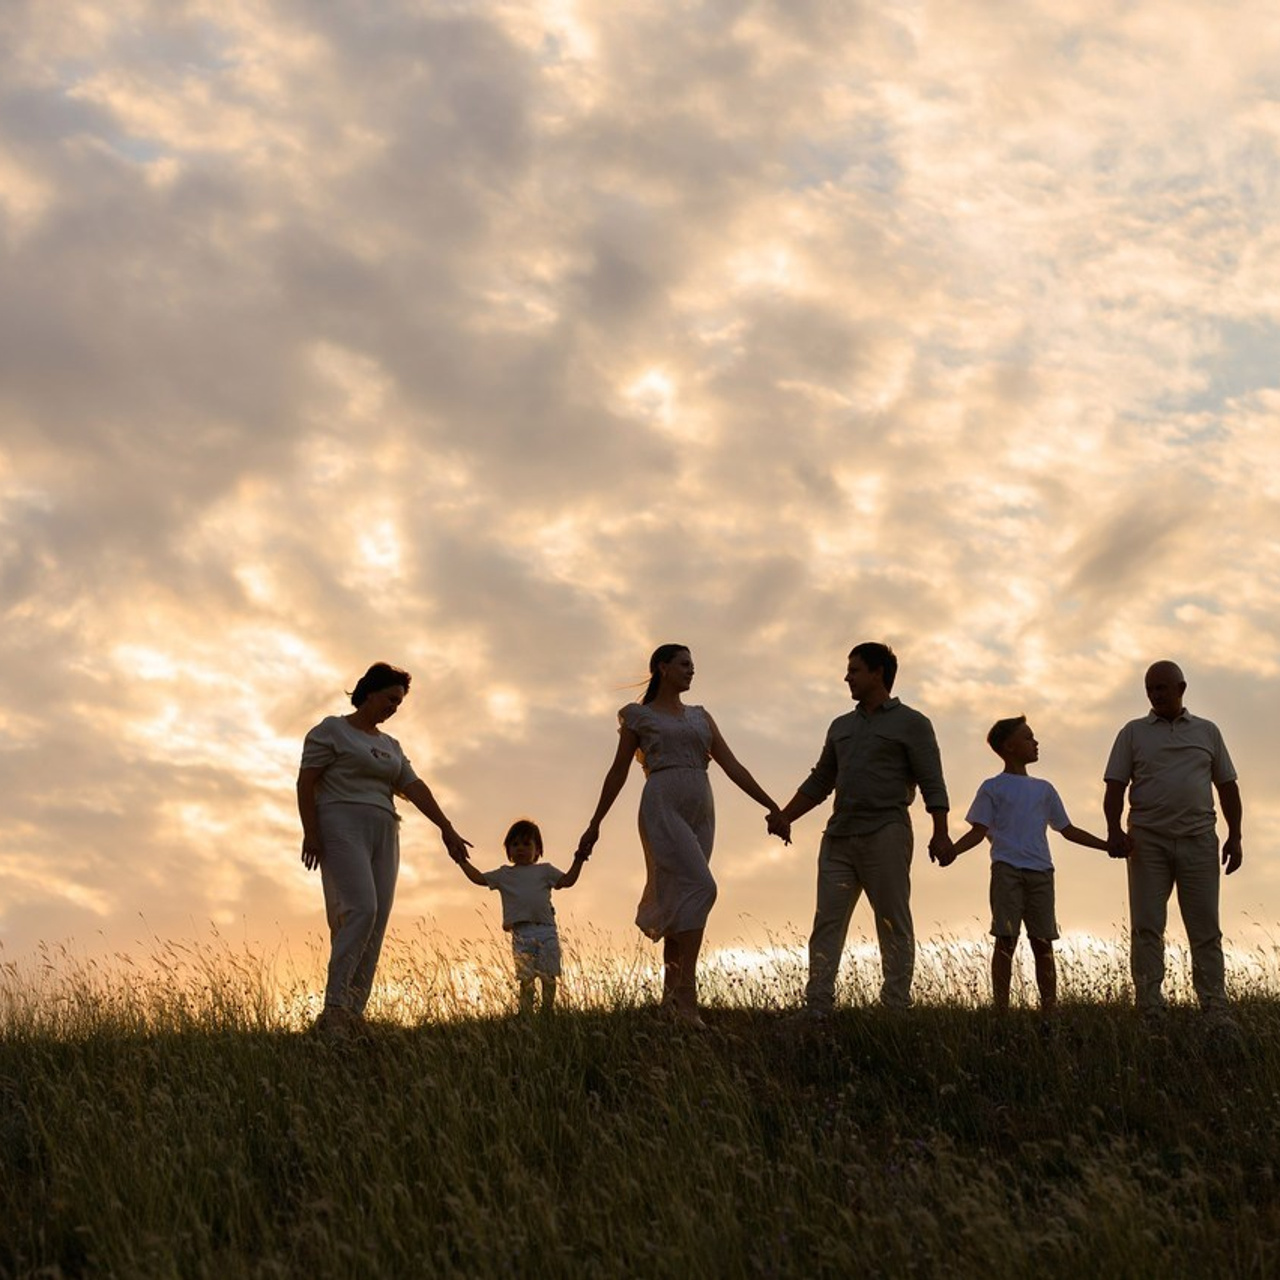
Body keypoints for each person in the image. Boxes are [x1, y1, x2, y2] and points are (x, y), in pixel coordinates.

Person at [576, 643, 783, 1027]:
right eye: (685, 664)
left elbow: (732, 764)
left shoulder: (701, 717)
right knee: (703, 887)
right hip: (662, 805)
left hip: (701, 809)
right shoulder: (640, 717)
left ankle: (669, 1001)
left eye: (693, 665)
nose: (692, 670)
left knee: (682, 900)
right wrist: (595, 823)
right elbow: (618, 771)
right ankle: (687, 1000)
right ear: (662, 668)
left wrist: (771, 805)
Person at [769, 642, 952, 1013]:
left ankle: (895, 1007)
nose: (847, 677)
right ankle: (818, 1005)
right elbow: (821, 780)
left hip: (886, 830)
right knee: (827, 923)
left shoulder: (913, 723)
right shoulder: (841, 726)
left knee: (892, 921)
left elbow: (932, 780)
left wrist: (941, 831)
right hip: (838, 837)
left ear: (877, 673)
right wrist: (786, 815)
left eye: (854, 670)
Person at [297, 662, 471, 1034]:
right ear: (370, 692)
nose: (394, 708)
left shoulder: (390, 745)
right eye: (391, 699)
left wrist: (447, 829)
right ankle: (335, 1008)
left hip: (385, 829)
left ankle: (354, 1013)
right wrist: (310, 832)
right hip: (340, 822)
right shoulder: (331, 730)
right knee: (361, 909)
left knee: (377, 918)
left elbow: (415, 786)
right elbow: (306, 780)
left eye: (400, 703)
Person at [942, 716, 1113, 1015]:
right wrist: (952, 851)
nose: (1036, 743)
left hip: (1041, 873)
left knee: (1043, 941)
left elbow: (1067, 830)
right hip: (1006, 870)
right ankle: (1001, 1010)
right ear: (1009, 747)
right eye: (1028, 738)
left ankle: (1050, 1010)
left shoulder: (1044, 789)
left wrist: (1106, 845)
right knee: (1005, 940)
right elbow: (977, 831)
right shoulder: (992, 787)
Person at [1103, 660, 1242, 1023]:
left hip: (1199, 840)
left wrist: (1235, 836)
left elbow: (1227, 786)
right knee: (1147, 926)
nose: (1155, 695)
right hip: (1147, 842)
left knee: (1206, 929)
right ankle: (1150, 1009)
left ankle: (1215, 1009)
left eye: (1162, 688)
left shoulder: (1208, 732)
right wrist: (1114, 830)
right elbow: (1115, 786)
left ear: (1181, 688)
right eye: (1150, 689)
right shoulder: (1132, 733)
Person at [456, 819, 587, 1015]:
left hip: (545, 929)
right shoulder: (504, 874)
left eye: (527, 844)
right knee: (525, 979)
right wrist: (461, 861)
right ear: (508, 850)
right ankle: (525, 1013)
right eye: (515, 844)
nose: (520, 849)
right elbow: (479, 879)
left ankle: (547, 1012)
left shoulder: (545, 871)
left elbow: (567, 881)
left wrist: (579, 859)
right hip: (521, 933)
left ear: (538, 850)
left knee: (549, 976)